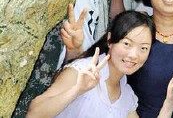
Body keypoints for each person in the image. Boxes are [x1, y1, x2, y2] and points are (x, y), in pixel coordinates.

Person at [26, 11, 155, 118]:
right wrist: (76, 90)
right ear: (110, 40)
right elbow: (33, 114)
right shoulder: (82, 70)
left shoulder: (126, 95)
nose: (134, 55)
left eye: (143, 48)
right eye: (127, 44)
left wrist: (169, 102)